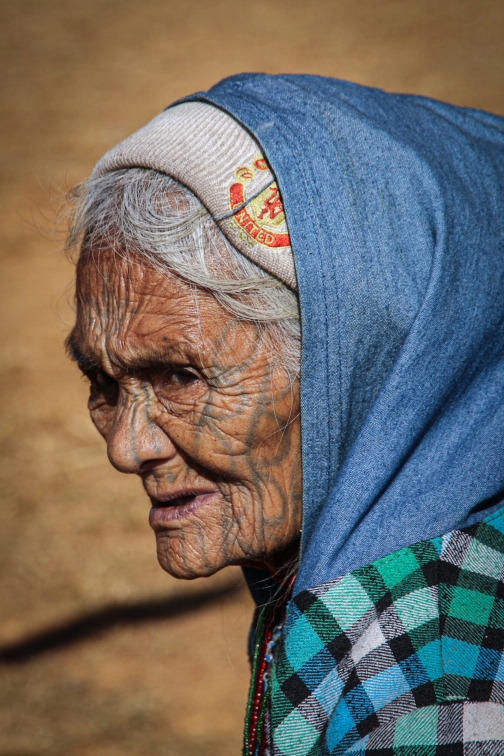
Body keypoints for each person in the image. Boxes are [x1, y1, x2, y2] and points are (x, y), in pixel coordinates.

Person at [66, 74, 504, 755]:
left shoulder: (430, 693)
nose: (127, 446)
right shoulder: (359, 585)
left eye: (181, 375)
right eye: (102, 380)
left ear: (361, 362)